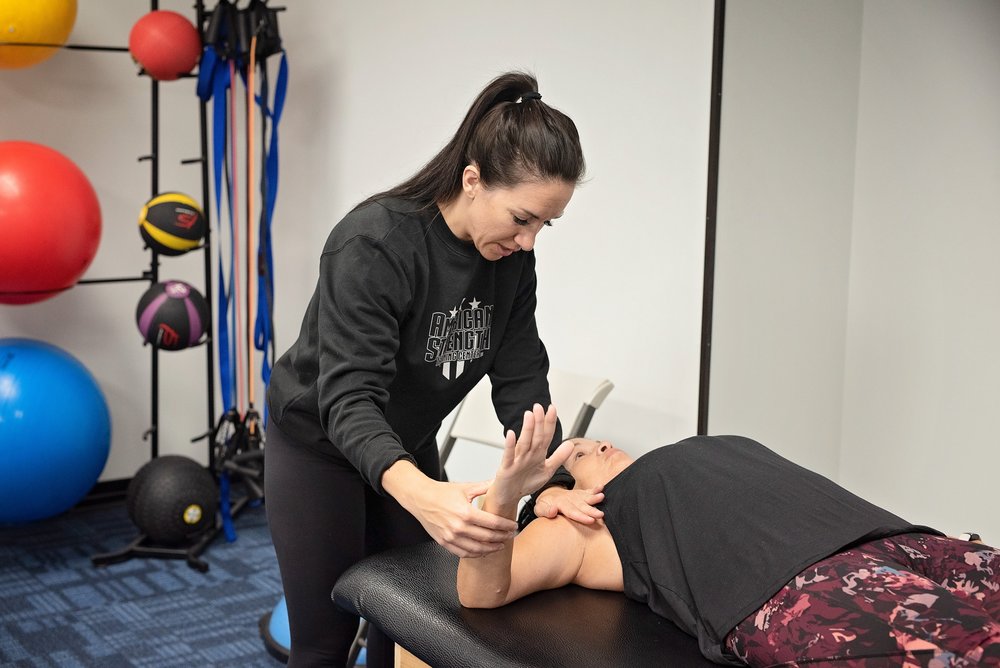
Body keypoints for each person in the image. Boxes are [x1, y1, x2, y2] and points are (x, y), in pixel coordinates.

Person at [264, 70, 590, 667]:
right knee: (323, 639)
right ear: (473, 180)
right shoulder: (375, 243)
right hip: (318, 446)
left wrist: (551, 478)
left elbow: (521, 377)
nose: (531, 241)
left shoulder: (512, 264)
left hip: (406, 441)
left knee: (412, 624)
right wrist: (424, 495)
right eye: (523, 217)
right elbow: (349, 401)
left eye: (547, 224)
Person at [458, 404, 1000, 666]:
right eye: (578, 452)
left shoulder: (700, 452)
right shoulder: (586, 521)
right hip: (810, 588)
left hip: (904, 541)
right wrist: (514, 497)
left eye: (594, 438)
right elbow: (483, 593)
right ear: (561, 485)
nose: (597, 445)